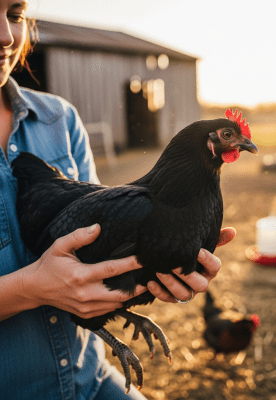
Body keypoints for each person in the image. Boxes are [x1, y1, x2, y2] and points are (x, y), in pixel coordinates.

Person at [0, 1, 236, 399]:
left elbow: (95, 246)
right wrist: (32, 288)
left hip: (85, 378)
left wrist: (150, 283)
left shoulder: (59, 120)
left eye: (15, 14)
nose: (6, 36)